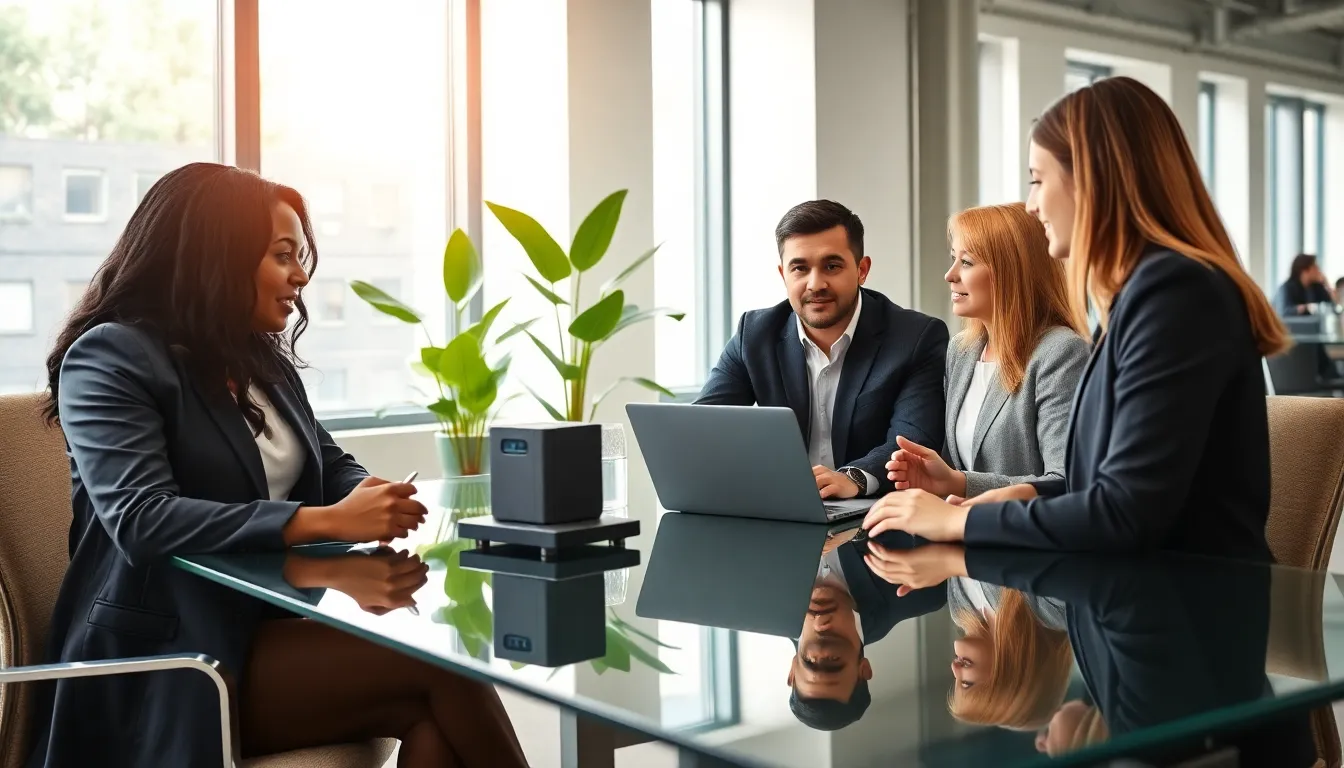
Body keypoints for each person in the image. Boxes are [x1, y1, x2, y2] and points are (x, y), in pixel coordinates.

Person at [29, 163, 527, 768]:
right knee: (442, 673)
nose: (300, 276)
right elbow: (142, 520)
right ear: (217, 254)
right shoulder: (111, 356)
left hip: (262, 625)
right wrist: (325, 523)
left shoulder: (259, 358)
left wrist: (367, 493)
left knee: (438, 719)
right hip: (162, 659)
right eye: (282, 255)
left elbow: (323, 458)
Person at [861, 76, 1289, 561]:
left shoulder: (1177, 297)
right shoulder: (1140, 299)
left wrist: (961, 517)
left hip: (1183, 613)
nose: (1031, 203)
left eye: (1038, 180)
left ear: (1093, 180)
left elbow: (1126, 514)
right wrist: (1026, 495)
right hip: (1142, 604)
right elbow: (1108, 487)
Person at [697, 200, 949, 500]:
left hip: (878, 518)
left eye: (831, 266)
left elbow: (913, 442)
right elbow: (703, 428)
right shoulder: (754, 334)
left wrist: (852, 478)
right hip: (783, 513)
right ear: (783, 274)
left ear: (862, 269)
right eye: (800, 268)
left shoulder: (915, 337)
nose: (815, 284)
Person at [881, 202, 1088, 503]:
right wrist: (938, 480)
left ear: (1011, 271)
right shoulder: (962, 351)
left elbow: (1065, 482)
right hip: (967, 534)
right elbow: (957, 466)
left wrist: (959, 482)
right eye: (954, 259)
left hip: (1028, 542)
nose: (949, 275)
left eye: (966, 262)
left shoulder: (1061, 352)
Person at [789, 529, 947, 731]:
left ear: (792, 672)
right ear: (863, 670)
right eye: (834, 660)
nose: (820, 623)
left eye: (809, 661)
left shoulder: (754, 589)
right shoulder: (919, 591)